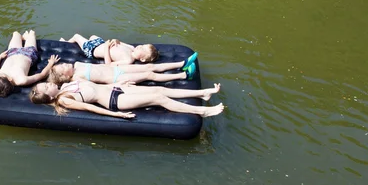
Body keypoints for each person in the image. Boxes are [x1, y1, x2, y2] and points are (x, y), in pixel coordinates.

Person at [30, 80, 224, 118]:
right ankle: (203, 111)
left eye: (46, 83)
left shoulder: (65, 85)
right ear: (50, 96)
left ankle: (202, 93)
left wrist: (123, 85)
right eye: (47, 87)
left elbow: (99, 85)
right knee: (159, 97)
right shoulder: (64, 99)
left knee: (159, 88)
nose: (49, 83)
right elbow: (91, 108)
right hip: (115, 102)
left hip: (117, 89)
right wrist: (116, 115)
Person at [47, 54, 199, 85]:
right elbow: (97, 87)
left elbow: (102, 66)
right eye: (63, 67)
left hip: (117, 69)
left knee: (148, 66)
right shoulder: (76, 79)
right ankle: (184, 75)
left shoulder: (78, 65)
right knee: (148, 74)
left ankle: (182, 62)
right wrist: (118, 86)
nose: (66, 64)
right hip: (116, 79)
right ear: (64, 77)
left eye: (64, 63)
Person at [0, 30, 59, 97]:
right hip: (29, 53)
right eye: (1, 74)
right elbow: (42, 75)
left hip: (12, 52)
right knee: (32, 33)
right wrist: (50, 63)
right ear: (10, 79)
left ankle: (24, 38)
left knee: (16, 33)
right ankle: (27, 38)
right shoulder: (21, 80)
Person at [60, 34, 160, 65]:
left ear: (142, 59)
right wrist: (115, 41)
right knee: (93, 36)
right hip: (101, 43)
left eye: (142, 48)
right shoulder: (132, 48)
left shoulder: (128, 60)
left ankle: (64, 43)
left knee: (77, 36)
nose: (139, 46)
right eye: (142, 45)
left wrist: (107, 47)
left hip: (92, 50)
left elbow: (108, 65)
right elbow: (119, 42)